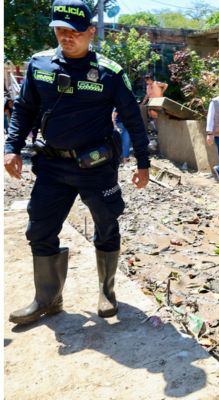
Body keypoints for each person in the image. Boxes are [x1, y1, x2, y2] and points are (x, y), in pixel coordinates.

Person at [4, 0, 150, 325]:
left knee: (107, 224)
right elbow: (25, 108)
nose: (66, 37)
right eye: (60, 30)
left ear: (91, 32)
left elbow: (133, 120)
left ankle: (107, 291)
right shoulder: (39, 64)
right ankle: (47, 298)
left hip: (96, 166)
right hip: (52, 165)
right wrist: (11, 147)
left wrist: (143, 163)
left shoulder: (110, 73)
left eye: (75, 31)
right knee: (39, 228)